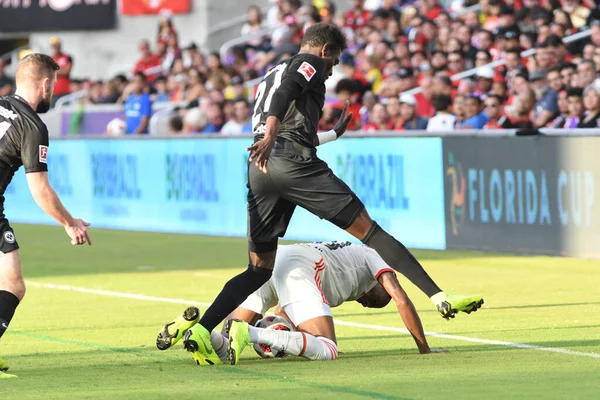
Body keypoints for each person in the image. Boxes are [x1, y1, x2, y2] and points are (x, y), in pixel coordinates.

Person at [156, 23, 482, 366]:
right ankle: (440, 295)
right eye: (335, 62)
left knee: (258, 269)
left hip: (260, 167)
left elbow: (293, 122)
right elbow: (285, 97)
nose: (332, 71)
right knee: (371, 232)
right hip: (290, 161)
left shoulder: (272, 70)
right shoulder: (307, 63)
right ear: (324, 50)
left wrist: (330, 135)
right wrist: (271, 134)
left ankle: (204, 330)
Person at [0, 54, 91, 379]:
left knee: (9, 278)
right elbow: (39, 188)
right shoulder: (32, 125)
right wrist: (70, 223)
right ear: (46, 84)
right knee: (12, 283)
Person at [224, 241, 445, 363]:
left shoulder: (343, 273)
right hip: (299, 264)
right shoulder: (372, 256)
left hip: (279, 256)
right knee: (328, 349)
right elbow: (401, 299)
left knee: (226, 339)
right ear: (379, 283)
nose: (367, 304)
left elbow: (287, 310)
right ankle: (252, 333)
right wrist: (424, 348)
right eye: (380, 300)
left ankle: (199, 335)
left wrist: (278, 330)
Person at [49, 37, 72, 106]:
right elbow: (49, 73)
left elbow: (66, 71)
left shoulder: (67, 57)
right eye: (54, 46)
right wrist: (61, 69)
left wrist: (54, 70)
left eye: (57, 45)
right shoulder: (50, 59)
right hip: (53, 92)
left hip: (65, 91)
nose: (56, 47)